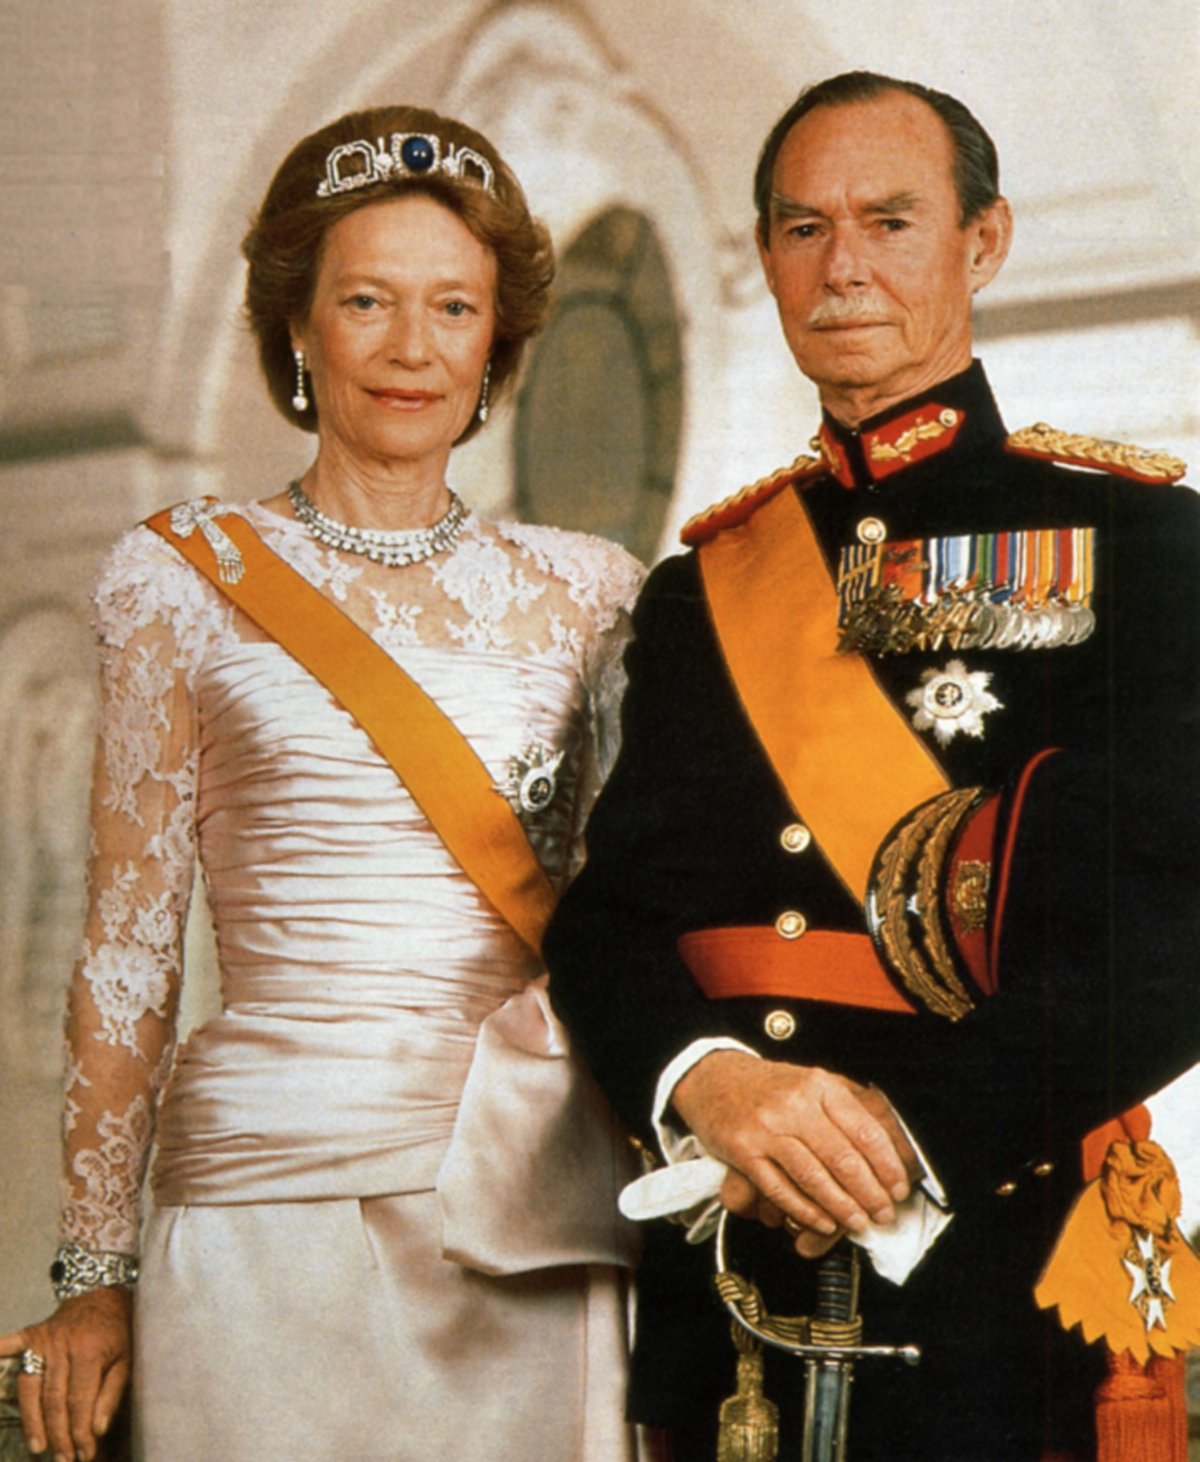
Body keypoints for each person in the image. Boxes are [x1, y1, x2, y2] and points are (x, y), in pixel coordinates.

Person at [544, 70, 1200, 1461]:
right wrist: (710, 1082)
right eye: (800, 227)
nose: (841, 266)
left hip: (993, 1258)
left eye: (890, 220)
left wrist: (897, 1139)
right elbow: (609, 920)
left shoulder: (1139, 545)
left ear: (985, 241)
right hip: (721, 1256)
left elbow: (1171, 933)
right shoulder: (700, 588)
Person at [0, 104, 645, 1461]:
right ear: (297, 325)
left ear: (498, 338)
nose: (414, 349)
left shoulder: (594, 591)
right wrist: (90, 1274)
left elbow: (630, 930)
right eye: (367, 300)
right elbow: (125, 955)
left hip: (526, 1215)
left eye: (453, 307)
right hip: (257, 1218)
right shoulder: (176, 575)